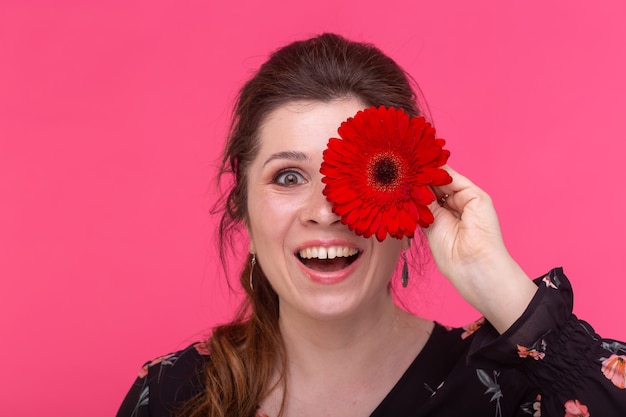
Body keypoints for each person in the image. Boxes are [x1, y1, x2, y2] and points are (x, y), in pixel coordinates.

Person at [116, 33, 626, 417]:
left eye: (361, 176)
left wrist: (505, 291)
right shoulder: (171, 394)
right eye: (289, 176)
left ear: (411, 196)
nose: (326, 210)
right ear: (243, 210)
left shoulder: (505, 388)